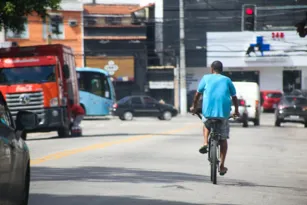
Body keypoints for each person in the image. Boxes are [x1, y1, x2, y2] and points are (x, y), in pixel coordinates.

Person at [190, 60, 239, 176]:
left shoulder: (206, 78)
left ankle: (205, 143)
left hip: (208, 113)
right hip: (223, 114)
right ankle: (221, 166)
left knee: (206, 123)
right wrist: (236, 111)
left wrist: (194, 106)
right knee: (223, 139)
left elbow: (197, 94)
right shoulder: (227, 80)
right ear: (222, 70)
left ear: (212, 69)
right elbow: (234, 97)